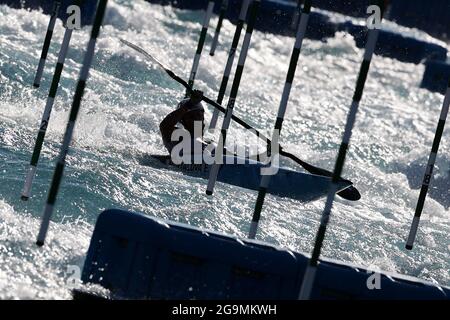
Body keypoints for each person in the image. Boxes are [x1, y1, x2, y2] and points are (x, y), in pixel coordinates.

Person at [159, 90, 208, 159]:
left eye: (199, 115)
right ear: (183, 121)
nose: (196, 119)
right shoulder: (178, 136)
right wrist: (189, 104)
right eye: (192, 116)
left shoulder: (208, 143)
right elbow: (164, 126)